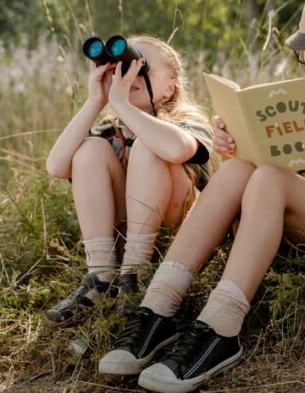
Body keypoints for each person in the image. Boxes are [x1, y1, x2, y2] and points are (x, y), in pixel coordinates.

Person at [98, 0, 305, 393]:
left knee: (268, 177)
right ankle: (157, 308)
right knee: (237, 170)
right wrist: (235, 145)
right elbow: (277, 164)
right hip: (296, 204)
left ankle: (221, 327)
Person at [44, 36, 213, 324]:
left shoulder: (185, 122)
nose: (129, 75)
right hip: (123, 241)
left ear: (170, 88)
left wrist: (123, 105)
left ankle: (137, 272)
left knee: (150, 146)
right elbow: (57, 166)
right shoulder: (110, 131)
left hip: (177, 238)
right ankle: (102, 275)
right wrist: (96, 100)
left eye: (141, 68)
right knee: (89, 150)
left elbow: (175, 149)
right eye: (119, 68)